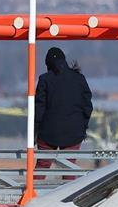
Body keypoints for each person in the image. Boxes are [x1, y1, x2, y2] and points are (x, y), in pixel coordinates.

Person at [34, 46, 93, 178]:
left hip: (48, 132)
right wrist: (82, 126)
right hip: (74, 132)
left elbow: (39, 108)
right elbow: (87, 106)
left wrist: (35, 131)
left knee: (42, 166)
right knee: (69, 167)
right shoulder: (79, 79)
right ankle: (68, 198)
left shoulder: (44, 79)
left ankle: (33, 196)